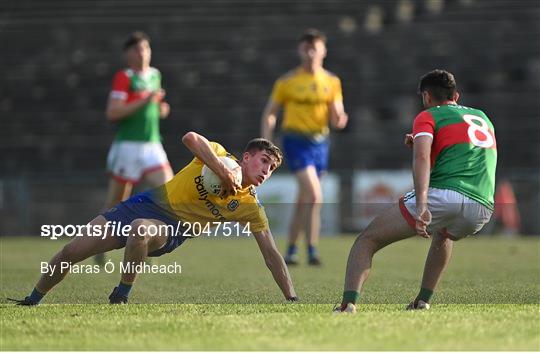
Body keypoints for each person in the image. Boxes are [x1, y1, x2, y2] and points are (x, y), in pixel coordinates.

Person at [10, 132, 297, 305]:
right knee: (72, 251)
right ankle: (32, 299)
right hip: (143, 204)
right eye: (263, 161)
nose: (266, 171)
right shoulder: (218, 155)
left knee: (140, 231)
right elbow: (190, 138)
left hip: (171, 229)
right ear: (246, 157)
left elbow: (271, 253)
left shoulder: (249, 206)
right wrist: (221, 171)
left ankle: (121, 293)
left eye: (271, 169)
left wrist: (291, 297)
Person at [335, 69, 497, 313]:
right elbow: (467, 154)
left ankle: (348, 304)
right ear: (457, 95)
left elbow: (421, 157)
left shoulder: (428, 115)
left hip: (444, 196)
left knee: (366, 240)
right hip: (482, 205)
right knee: (443, 235)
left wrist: (422, 203)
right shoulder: (481, 116)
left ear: (426, 96)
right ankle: (422, 301)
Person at [260, 29, 348, 266]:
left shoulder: (332, 81)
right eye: (306, 48)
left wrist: (340, 118)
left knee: (304, 199)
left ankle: (290, 249)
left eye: (315, 48)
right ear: (300, 50)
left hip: (320, 143)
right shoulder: (287, 81)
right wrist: (267, 143)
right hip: (295, 141)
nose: (311, 53)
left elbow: (337, 114)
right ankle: (312, 249)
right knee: (315, 195)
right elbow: (270, 113)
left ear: (323, 51)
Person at [95, 31, 174, 265]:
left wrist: (161, 108)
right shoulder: (124, 77)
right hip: (127, 147)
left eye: (146, 48)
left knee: (169, 194)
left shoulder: (155, 75)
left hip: (152, 145)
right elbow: (113, 112)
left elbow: (156, 105)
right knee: (116, 202)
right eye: (138, 49)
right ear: (128, 54)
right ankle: (96, 245)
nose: (143, 53)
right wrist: (145, 100)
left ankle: (144, 243)